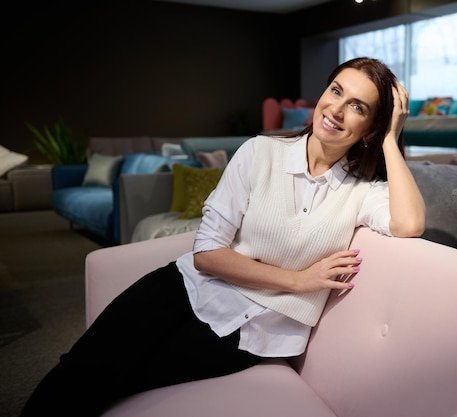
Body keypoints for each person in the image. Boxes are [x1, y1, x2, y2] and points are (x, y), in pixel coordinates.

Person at [20, 57, 426, 416]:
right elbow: (206, 254)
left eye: (358, 107)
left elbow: (410, 224)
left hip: (252, 336)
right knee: (80, 370)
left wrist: (391, 139)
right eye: (335, 90)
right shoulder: (258, 152)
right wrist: (298, 281)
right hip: (183, 289)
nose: (336, 109)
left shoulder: (361, 192)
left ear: (371, 128)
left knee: (119, 381)